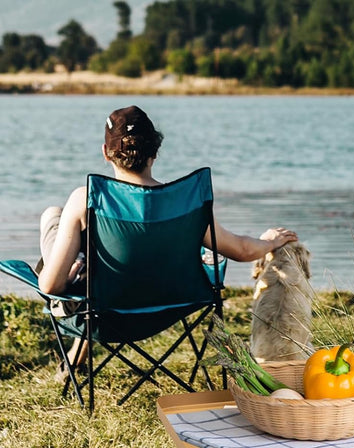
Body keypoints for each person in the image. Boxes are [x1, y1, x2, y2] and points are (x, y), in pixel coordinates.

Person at [37, 105, 298, 371]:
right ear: (155, 152)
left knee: (53, 216)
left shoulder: (86, 198)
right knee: (96, 254)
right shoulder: (186, 202)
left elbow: (49, 287)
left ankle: (76, 267)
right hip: (168, 311)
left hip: (102, 314)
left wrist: (65, 277)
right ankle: (80, 294)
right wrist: (269, 241)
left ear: (106, 153)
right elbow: (241, 249)